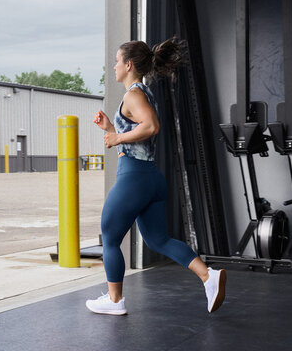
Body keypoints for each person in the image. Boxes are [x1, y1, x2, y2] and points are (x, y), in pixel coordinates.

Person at [86, 38, 226, 316]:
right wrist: (111, 128)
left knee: (111, 238)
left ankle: (115, 301)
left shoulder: (133, 94)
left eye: (117, 61)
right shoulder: (144, 92)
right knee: (158, 239)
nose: (113, 66)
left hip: (135, 177)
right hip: (151, 178)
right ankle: (208, 277)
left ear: (128, 65)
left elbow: (151, 126)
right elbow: (137, 133)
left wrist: (116, 137)